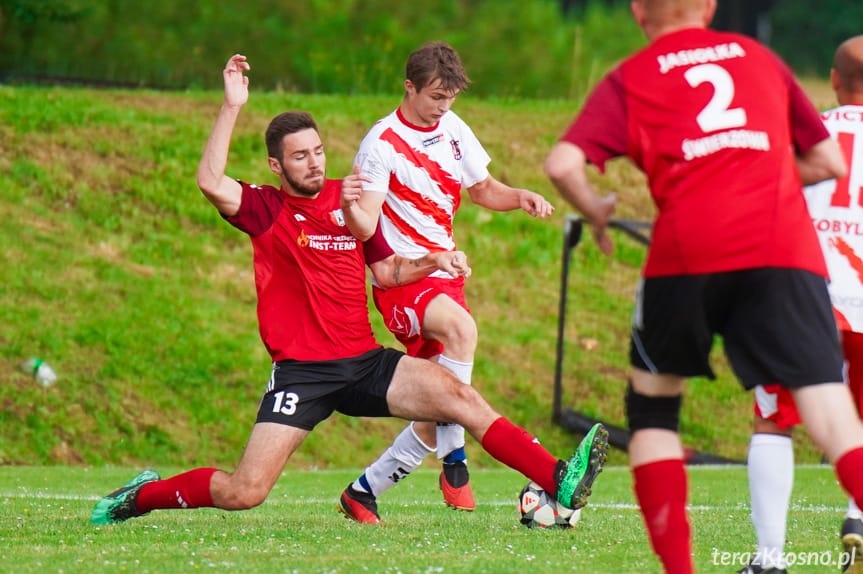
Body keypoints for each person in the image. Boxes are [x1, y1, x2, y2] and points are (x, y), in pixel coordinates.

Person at [89, 54, 609, 527]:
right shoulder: (266, 209)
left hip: (364, 364)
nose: (314, 163)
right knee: (243, 491)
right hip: (303, 373)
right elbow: (209, 180)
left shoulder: (352, 198)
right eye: (299, 157)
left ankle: (557, 475)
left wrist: (433, 260)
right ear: (276, 166)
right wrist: (230, 107)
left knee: (460, 397)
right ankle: (140, 497)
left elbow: (386, 274)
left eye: (317, 152)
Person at [543, 1, 863, 573]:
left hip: (685, 252)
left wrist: (595, 208)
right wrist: (752, 173)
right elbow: (824, 162)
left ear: (639, 10)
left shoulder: (630, 76)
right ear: (710, 6)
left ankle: (698, 567)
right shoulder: (760, 59)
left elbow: (563, 163)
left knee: (654, 414)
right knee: (837, 422)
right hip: (781, 253)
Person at [337, 41, 557, 522]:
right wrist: (349, 205)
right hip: (402, 281)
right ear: (409, 87)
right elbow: (367, 225)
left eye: (451, 97)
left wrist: (519, 196)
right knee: (463, 332)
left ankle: (363, 489)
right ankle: (455, 462)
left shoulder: (453, 128)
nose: (444, 106)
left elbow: (482, 189)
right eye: (436, 97)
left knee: (438, 411)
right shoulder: (381, 144)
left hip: (444, 276)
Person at [740, 35, 863, 574]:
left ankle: (770, 561)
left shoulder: (805, 132)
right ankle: (858, 516)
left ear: (834, 80)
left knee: (774, 422)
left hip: (804, 295)